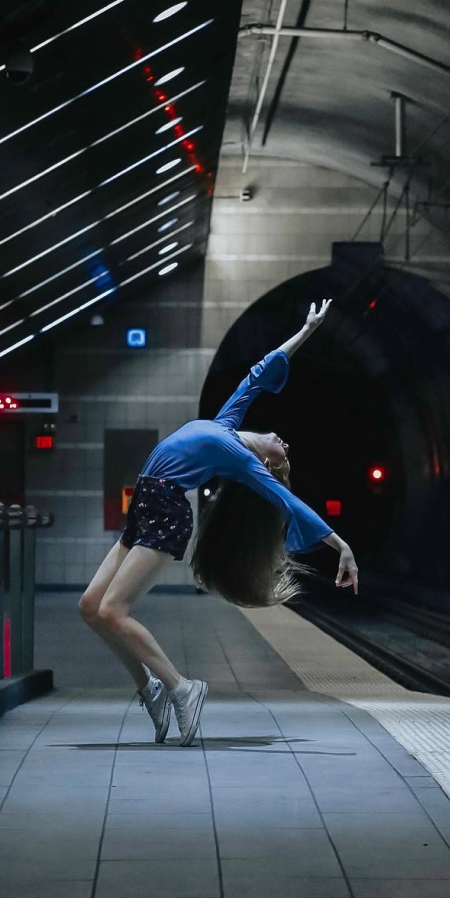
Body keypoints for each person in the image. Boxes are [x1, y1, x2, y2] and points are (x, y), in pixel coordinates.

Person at [79, 299, 359, 746]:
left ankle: (180, 688)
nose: (286, 444)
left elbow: (287, 501)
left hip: (165, 514)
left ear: (266, 462)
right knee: (91, 607)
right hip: (145, 507)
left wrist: (339, 544)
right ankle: (148, 688)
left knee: (114, 610)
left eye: (284, 455)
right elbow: (260, 373)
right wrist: (307, 330)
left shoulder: (240, 459)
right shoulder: (227, 424)